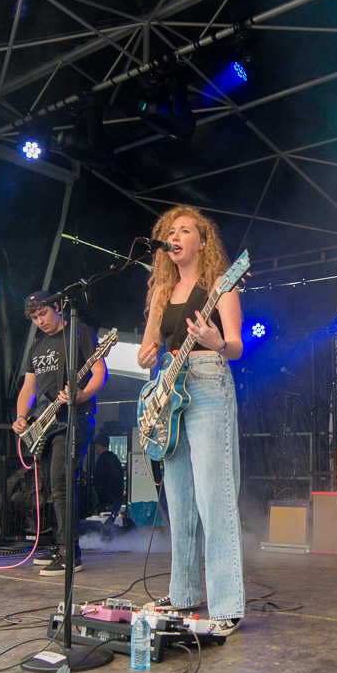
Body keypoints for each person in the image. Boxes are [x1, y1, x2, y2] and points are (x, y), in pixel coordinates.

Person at [136, 206, 245, 631]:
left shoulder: (221, 284)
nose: (175, 237)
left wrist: (216, 341)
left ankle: (227, 604)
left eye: (184, 231)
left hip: (208, 383)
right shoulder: (161, 292)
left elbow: (235, 346)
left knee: (214, 499)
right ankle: (183, 594)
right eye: (170, 232)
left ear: (202, 242)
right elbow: (147, 350)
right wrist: (147, 356)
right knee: (179, 501)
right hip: (169, 390)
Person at [13, 290, 106, 573]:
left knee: (61, 481)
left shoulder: (80, 332)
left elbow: (99, 371)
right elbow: (29, 388)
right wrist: (21, 417)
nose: (40, 321)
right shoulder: (36, 347)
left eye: (43, 314)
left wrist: (83, 393)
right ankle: (60, 544)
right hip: (45, 423)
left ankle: (70, 554)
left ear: (57, 307)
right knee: (52, 487)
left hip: (74, 418)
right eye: (34, 318)